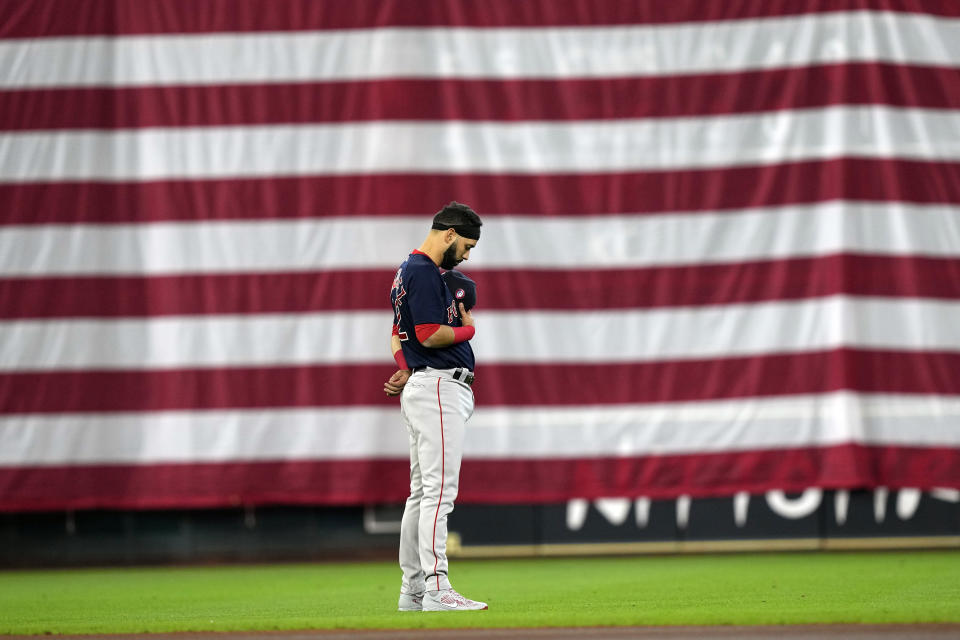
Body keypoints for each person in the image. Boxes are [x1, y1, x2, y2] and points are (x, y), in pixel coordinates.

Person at [384, 201, 487, 612]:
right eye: (466, 245)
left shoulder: (405, 273)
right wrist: (468, 329)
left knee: (422, 493)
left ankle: (412, 590)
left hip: (426, 385)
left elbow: (398, 333)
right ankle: (436, 586)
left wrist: (404, 368)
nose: (466, 254)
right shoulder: (424, 270)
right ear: (448, 234)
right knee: (439, 494)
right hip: (439, 389)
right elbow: (427, 334)